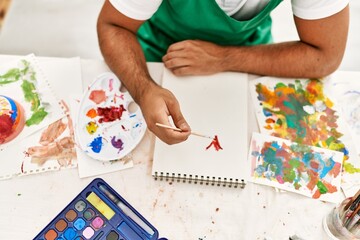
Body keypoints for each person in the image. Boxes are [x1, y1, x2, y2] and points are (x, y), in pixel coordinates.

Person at [97, 0, 349, 145]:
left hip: (247, 54)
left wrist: (222, 58)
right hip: (155, 52)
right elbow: (113, 25)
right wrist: (144, 89)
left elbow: (325, 55)